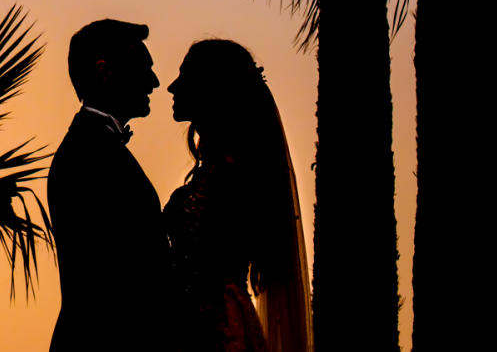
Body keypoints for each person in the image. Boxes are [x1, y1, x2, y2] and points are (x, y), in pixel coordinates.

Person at [163, 40, 312, 352]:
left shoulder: (231, 174)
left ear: (212, 89)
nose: (172, 87)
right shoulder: (215, 169)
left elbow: (213, 262)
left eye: (185, 76)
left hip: (213, 328)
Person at [48, 19, 173, 351]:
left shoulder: (96, 147)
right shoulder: (88, 154)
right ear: (104, 71)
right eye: (144, 68)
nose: (155, 81)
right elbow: (115, 278)